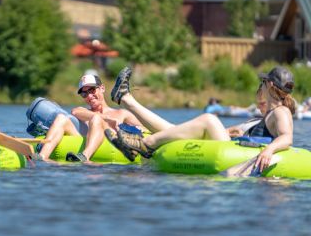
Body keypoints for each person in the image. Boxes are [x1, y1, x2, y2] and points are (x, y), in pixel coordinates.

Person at [107, 66, 295, 172]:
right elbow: (237, 132)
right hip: (233, 145)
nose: (260, 86)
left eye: (262, 82)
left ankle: (145, 144)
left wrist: (269, 150)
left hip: (234, 155)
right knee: (174, 129)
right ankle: (125, 98)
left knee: (209, 119)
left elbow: (287, 137)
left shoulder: (280, 111)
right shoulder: (266, 116)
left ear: (269, 85)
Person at [36, 74, 142, 162]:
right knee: (61, 118)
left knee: (96, 119)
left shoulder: (121, 113)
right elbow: (75, 112)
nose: (89, 96)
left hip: (110, 142)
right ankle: (42, 156)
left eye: (92, 90)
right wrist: (106, 118)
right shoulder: (84, 111)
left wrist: (128, 131)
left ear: (102, 88)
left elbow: (145, 128)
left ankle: (85, 156)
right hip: (82, 138)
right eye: (84, 93)